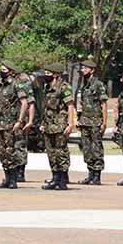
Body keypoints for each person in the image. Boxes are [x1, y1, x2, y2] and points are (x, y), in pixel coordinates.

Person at [0, 61, 29, 190]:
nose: (2, 72)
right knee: (2, 152)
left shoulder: (16, 84)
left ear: (11, 72)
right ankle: (7, 178)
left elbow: (24, 103)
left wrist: (19, 121)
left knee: (10, 150)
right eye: (1, 69)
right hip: (0, 123)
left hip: (11, 123)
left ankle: (13, 179)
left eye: (4, 69)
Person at [40, 63, 75, 191]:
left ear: (56, 74)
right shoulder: (47, 87)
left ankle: (62, 180)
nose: (46, 76)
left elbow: (70, 106)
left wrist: (70, 124)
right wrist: (43, 123)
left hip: (60, 125)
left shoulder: (64, 88)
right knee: (51, 152)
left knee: (61, 152)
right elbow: (46, 108)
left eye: (48, 73)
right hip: (49, 125)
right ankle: (55, 179)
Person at [76, 59, 108, 185]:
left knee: (96, 149)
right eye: (82, 68)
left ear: (92, 70)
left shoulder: (98, 84)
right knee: (87, 148)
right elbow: (82, 104)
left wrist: (104, 123)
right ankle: (90, 174)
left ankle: (97, 175)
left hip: (95, 121)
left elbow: (104, 104)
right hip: (85, 121)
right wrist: (79, 120)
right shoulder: (84, 85)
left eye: (85, 68)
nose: (83, 71)